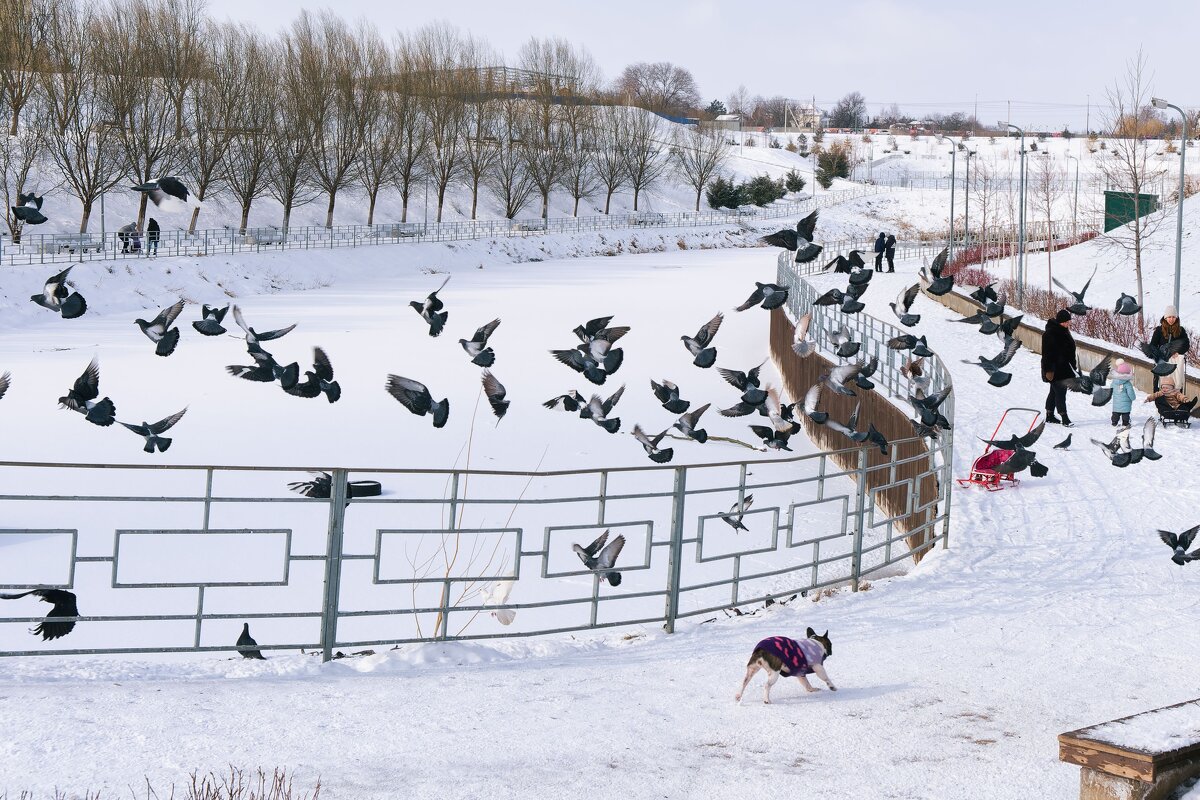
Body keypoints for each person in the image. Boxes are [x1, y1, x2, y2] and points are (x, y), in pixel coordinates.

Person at [1041, 309, 1077, 426]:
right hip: (1055, 369)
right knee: (1061, 393)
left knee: (1054, 392)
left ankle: (1049, 415)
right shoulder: (1050, 333)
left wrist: (1073, 366)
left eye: (1068, 322)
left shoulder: (1064, 331)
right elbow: (1047, 353)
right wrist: (1049, 370)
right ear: (1060, 321)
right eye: (1065, 322)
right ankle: (1064, 418)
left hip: (1065, 368)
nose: (1068, 324)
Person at [1150, 304, 1190, 393]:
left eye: (1173, 317)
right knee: (1162, 387)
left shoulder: (1181, 330)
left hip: (1176, 364)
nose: (1171, 319)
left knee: (1176, 385)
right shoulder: (1159, 330)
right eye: (1169, 317)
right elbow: (1152, 345)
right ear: (1165, 317)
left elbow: (1186, 345)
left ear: (1176, 318)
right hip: (1162, 363)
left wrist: (1178, 351)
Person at [1110, 359, 1136, 427]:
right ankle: (1125, 423)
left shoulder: (1114, 382)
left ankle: (1114, 422)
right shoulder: (1127, 383)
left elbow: (1111, 389)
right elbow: (1131, 393)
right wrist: (1133, 398)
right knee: (1125, 414)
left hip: (1116, 403)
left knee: (1115, 413)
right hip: (1126, 404)